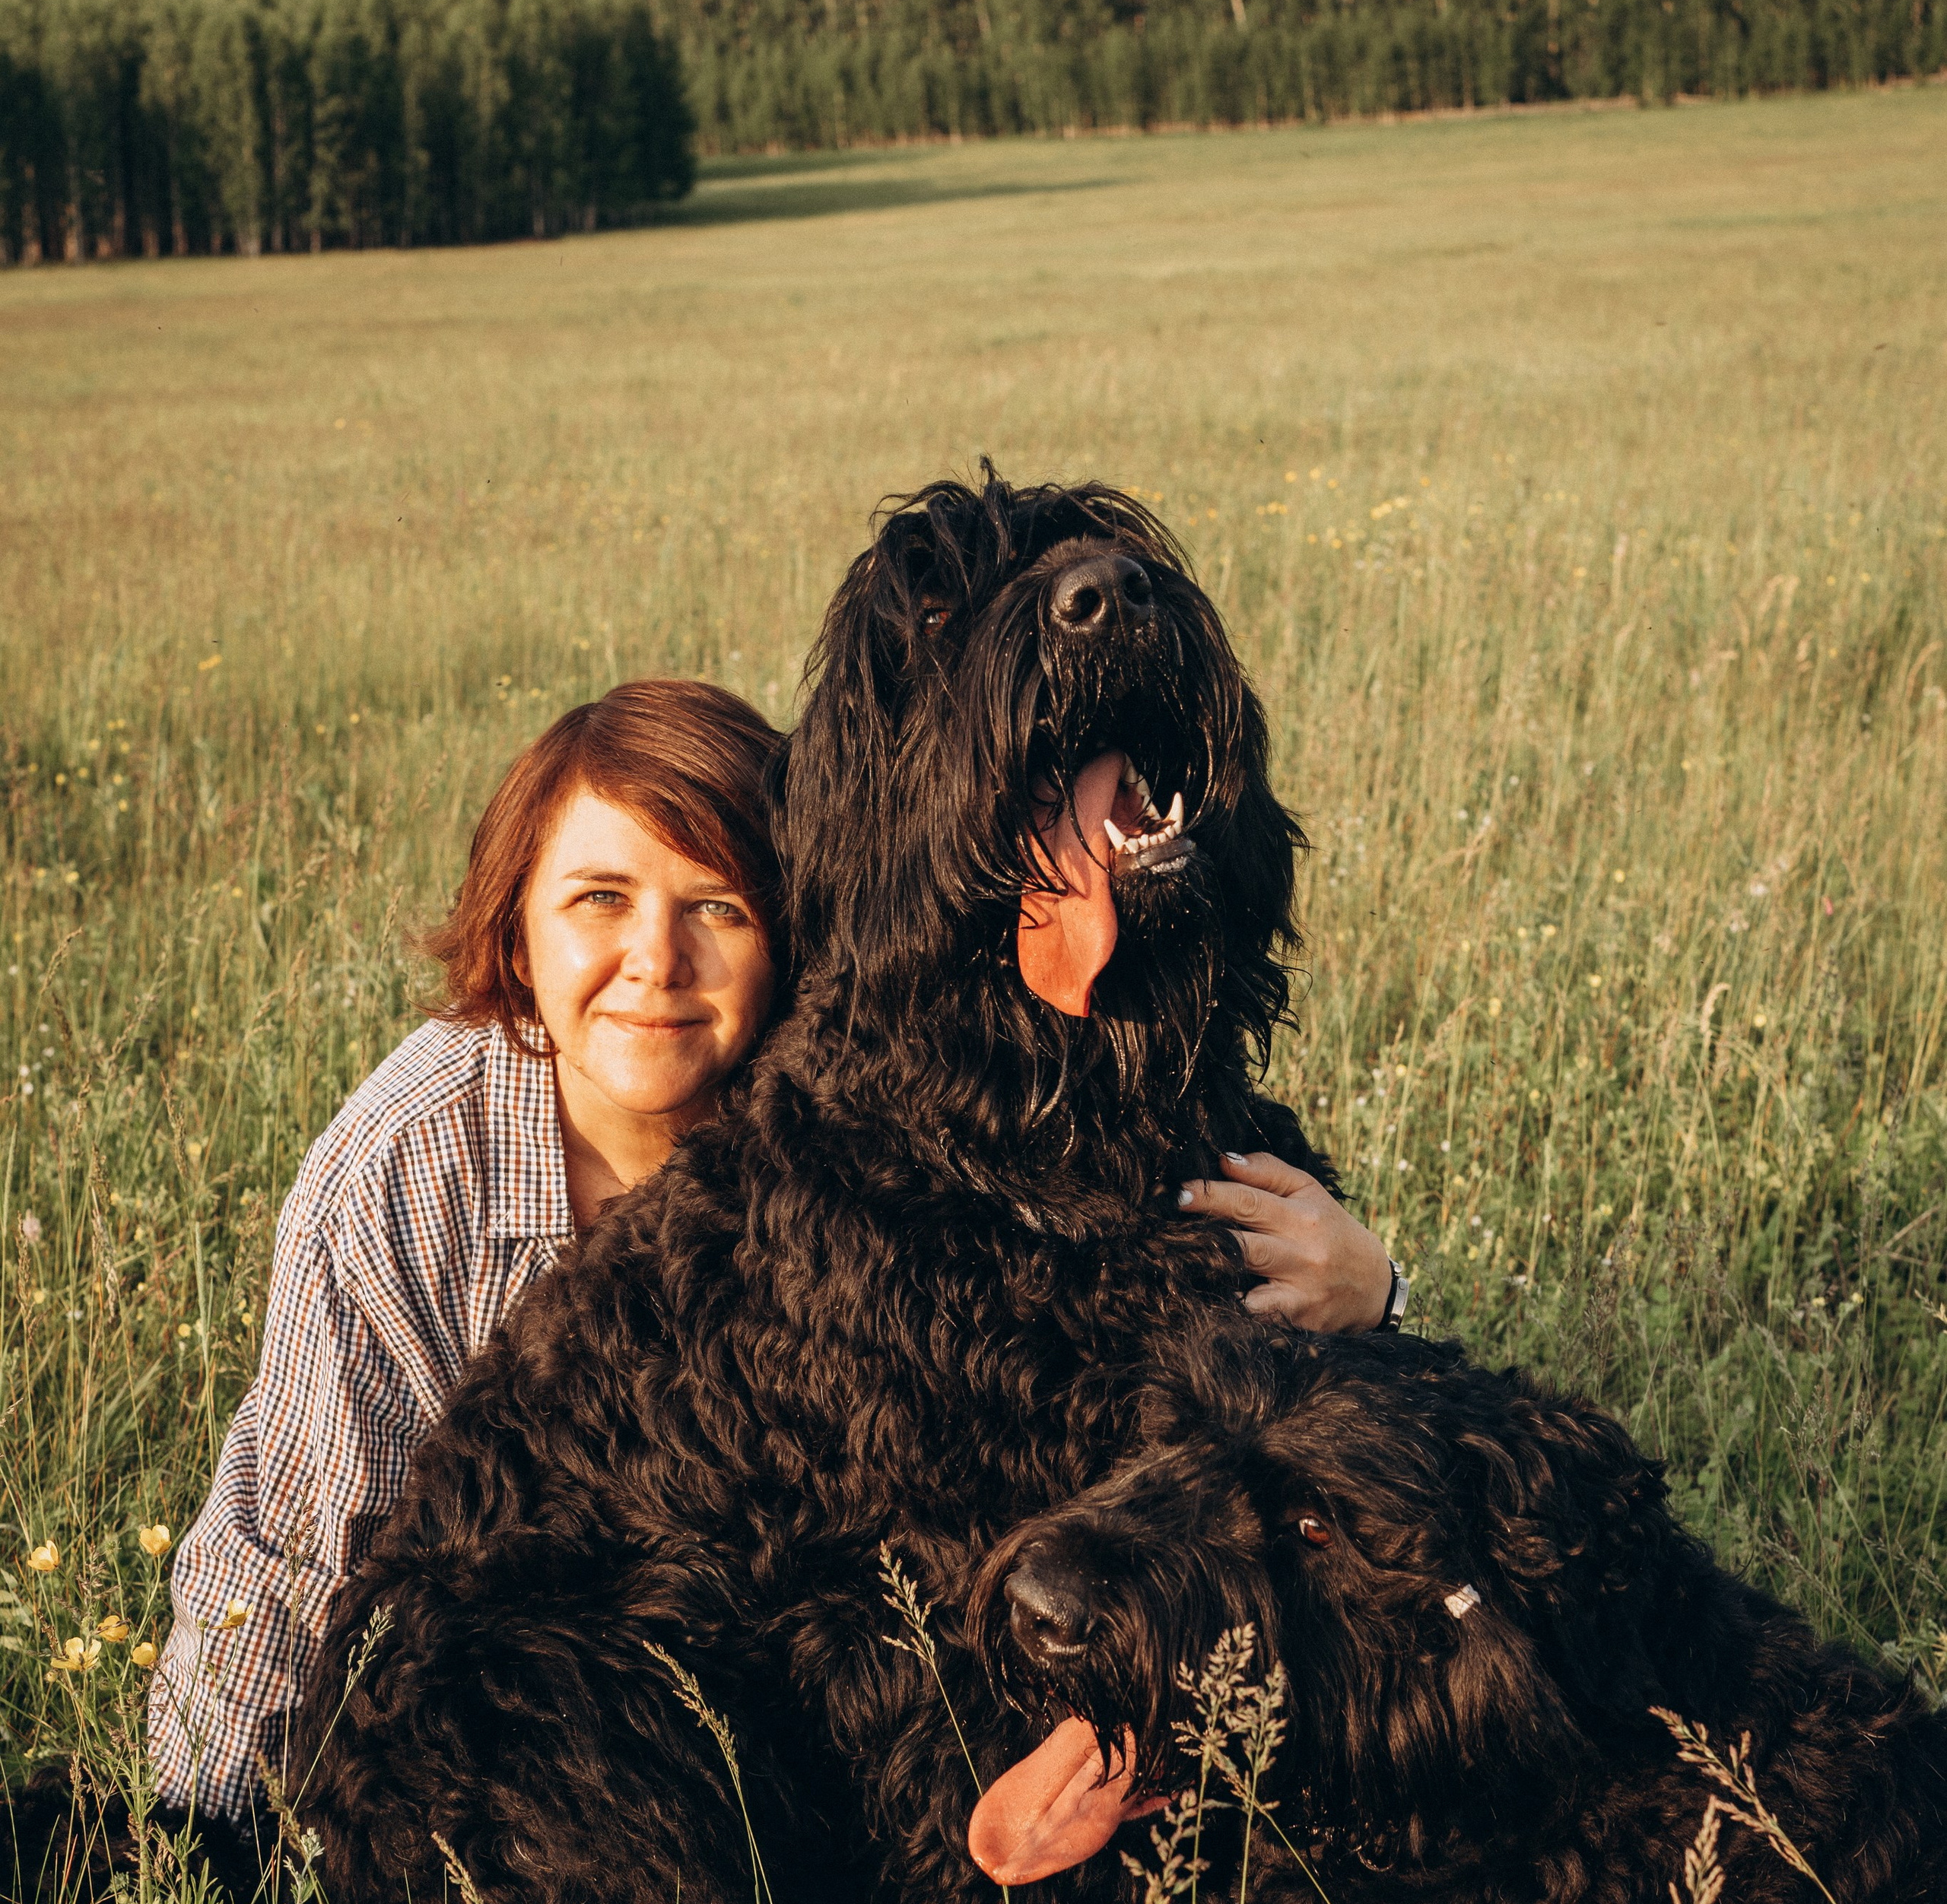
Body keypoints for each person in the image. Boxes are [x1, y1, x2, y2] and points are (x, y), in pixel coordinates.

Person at [150, 677, 1398, 1824]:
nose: (657, 963)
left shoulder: (875, 1106)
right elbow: (296, 1535)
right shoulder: (405, 1168)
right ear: (518, 936)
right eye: (598, 901)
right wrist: (205, 1851)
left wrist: (1379, 1293)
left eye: (718, 908)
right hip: (521, 1672)